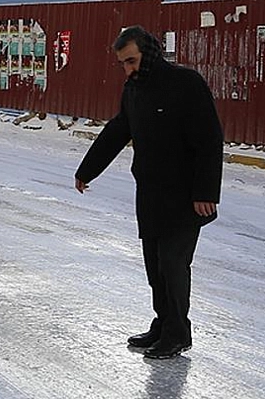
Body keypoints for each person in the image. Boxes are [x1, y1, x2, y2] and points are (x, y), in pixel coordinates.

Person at [74, 26, 223, 359]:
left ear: (149, 52)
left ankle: (177, 333)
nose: (128, 70)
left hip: (186, 198)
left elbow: (210, 139)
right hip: (151, 195)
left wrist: (205, 192)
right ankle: (163, 323)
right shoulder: (134, 91)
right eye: (123, 64)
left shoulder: (187, 84)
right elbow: (117, 132)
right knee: (154, 266)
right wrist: (87, 171)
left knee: (172, 264)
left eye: (131, 61)